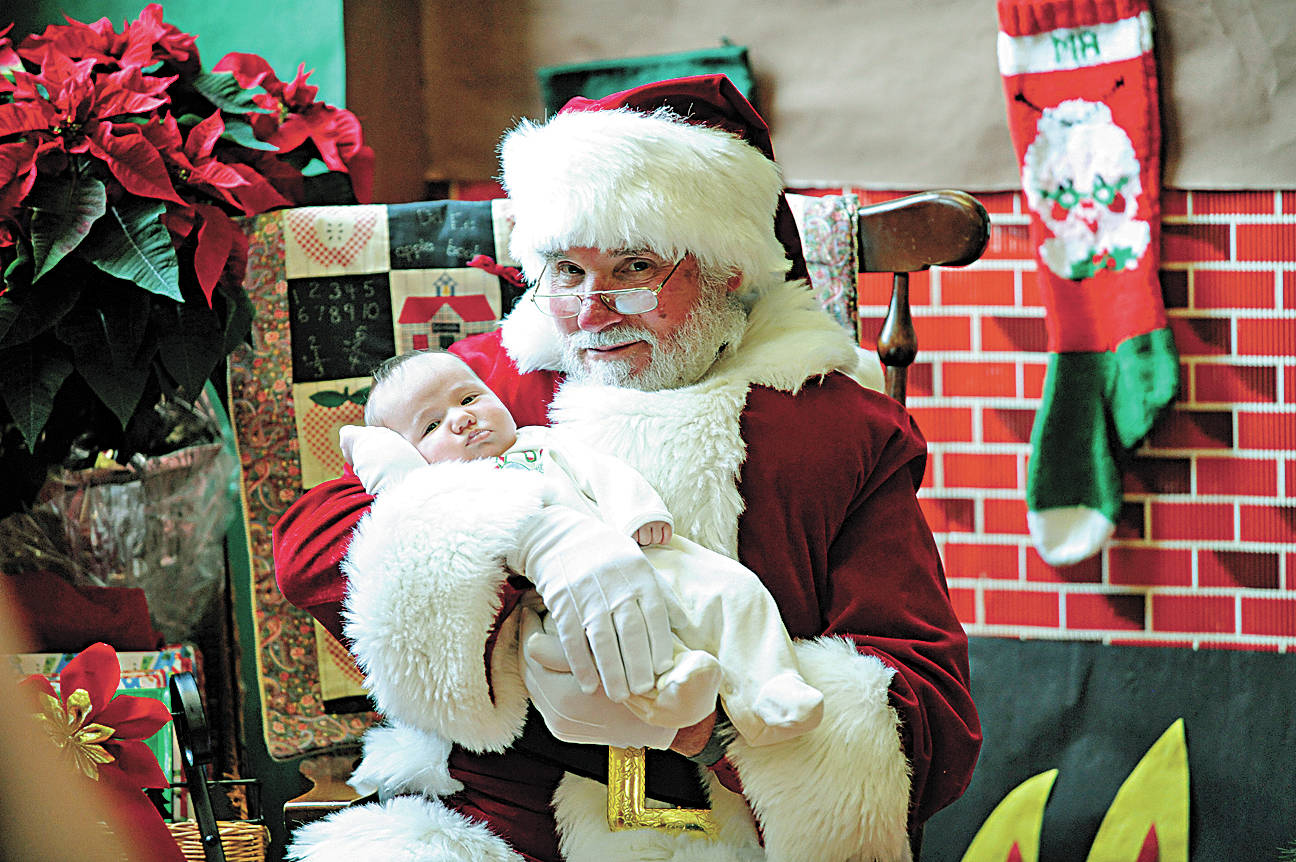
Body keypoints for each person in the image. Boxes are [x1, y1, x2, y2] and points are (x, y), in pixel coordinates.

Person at [275, 74, 980, 862]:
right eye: (568, 272)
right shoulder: (497, 387)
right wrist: (531, 543)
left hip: (729, 831)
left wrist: (715, 726)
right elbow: (308, 547)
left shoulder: (833, 429)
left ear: (728, 270)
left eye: (635, 268)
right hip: (500, 823)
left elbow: (928, 705)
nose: (592, 309)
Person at [338, 348, 826, 746]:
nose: (462, 420)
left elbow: (603, 473)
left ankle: (770, 691)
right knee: (570, 672)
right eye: (430, 426)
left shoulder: (543, 442)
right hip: (546, 605)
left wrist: (638, 513)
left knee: (734, 589)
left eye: (469, 398)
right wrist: (381, 454)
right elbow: (407, 505)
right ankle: (669, 695)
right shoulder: (446, 490)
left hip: (636, 553)